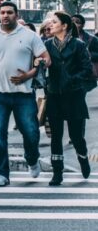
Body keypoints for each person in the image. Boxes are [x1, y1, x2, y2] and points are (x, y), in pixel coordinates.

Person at [0, 1, 51, 186]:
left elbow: (46, 59)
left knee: (31, 132)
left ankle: (32, 159)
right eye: (2, 12)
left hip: (23, 94)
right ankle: (1, 174)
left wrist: (30, 74)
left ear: (16, 15)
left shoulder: (29, 36)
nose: (5, 15)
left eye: (9, 12)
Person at [43, 11, 92, 186]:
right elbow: (41, 66)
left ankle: (83, 158)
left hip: (74, 95)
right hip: (54, 94)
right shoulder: (47, 45)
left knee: (76, 135)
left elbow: (87, 70)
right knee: (56, 135)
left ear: (64, 26)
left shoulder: (78, 45)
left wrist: (72, 79)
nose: (51, 25)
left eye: (54, 22)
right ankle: (57, 172)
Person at [72, 13, 98, 92]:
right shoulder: (62, 37)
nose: (74, 24)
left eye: (77, 22)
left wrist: (89, 54)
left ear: (83, 25)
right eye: (72, 21)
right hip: (69, 75)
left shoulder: (92, 39)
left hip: (84, 75)